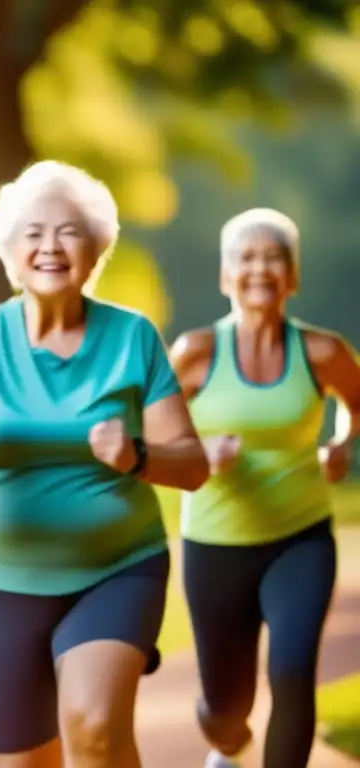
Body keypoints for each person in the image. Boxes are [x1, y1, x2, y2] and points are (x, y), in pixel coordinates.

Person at [0, 160, 210, 768]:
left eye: (69, 231)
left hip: (114, 569)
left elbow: (193, 465)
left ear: (96, 249)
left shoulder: (132, 337)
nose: (50, 246)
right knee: (22, 763)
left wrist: (136, 456)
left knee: (95, 726)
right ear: (9, 250)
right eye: (33, 232)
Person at [170, 208, 360, 768]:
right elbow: (154, 430)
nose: (260, 269)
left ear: (292, 275)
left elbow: (356, 403)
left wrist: (342, 445)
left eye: (273, 256)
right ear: (225, 276)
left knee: (293, 671)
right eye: (245, 258)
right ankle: (231, 748)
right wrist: (198, 454)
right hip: (214, 543)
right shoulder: (196, 353)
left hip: (299, 538)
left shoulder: (322, 352)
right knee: (225, 710)